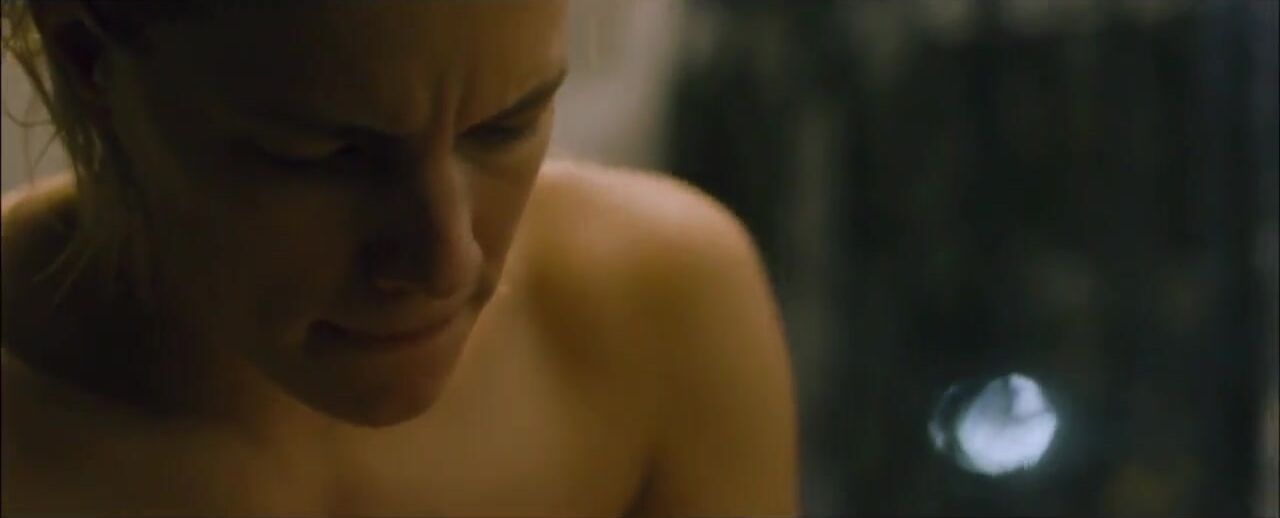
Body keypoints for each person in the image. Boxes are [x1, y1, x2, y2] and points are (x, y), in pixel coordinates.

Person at [0, 1, 798, 516]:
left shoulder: (657, 323)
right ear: (84, 57)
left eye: (505, 127)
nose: (446, 262)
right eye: (328, 156)